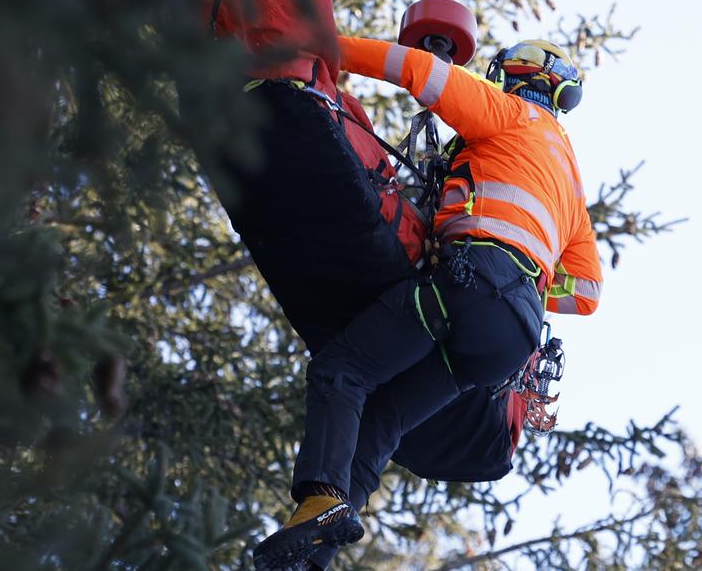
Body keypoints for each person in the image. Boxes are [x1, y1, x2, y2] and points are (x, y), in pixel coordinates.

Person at [253, 37, 604, 570]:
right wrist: (530, 275)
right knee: (383, 422)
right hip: (512, 340)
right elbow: (586, 293)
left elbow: (418, 70)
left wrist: (326, 47)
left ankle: (320, 495)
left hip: (470, 285)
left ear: (514, 77)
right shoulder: (570, 184)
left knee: (343, 369)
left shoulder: (509, 115)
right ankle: (316, 551)